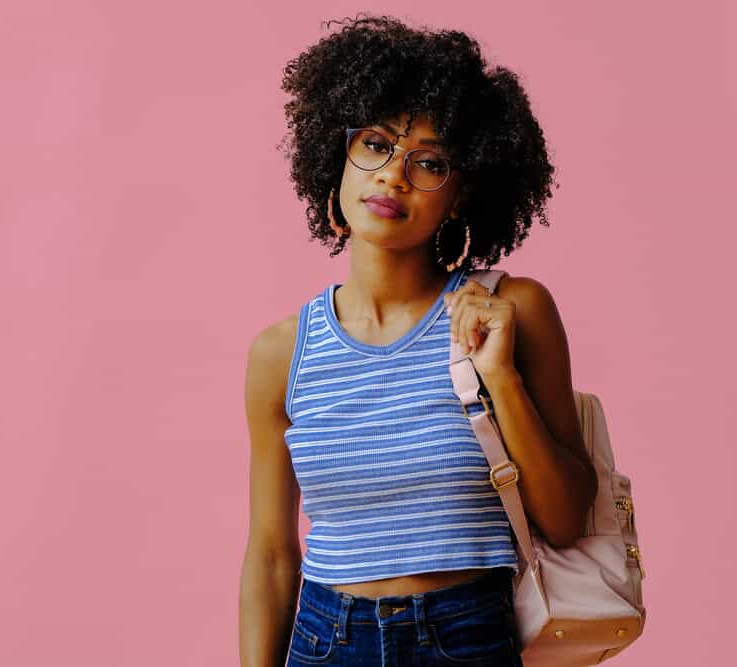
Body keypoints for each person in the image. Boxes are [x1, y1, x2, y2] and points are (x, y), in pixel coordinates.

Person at [239, 14, 598, 667]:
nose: (393, 176)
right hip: (325, 641)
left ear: (460, 195)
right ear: (336, 158)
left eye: (428, 161)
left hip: (467, 637)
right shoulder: (279, 353)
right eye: (374, 145)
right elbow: (270, 553)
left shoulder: (513, 310)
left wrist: (503, 379)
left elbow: (569, 517)